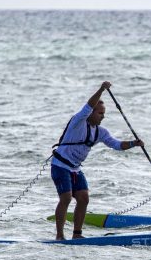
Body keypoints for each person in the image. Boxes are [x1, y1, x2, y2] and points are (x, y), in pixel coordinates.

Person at [51, 81, 144, 240]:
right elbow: (88, 105)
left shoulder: (100, 132)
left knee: (84, 198)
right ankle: (60, 236)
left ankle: (77, 235)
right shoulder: (78, 121)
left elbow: (116, 145)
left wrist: (134, 144)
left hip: (75, 168)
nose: (103, 116)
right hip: (60, 165)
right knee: (66, 198)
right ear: (91, 113)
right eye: (100, 113)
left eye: (104, 113)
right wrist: (101, 89)